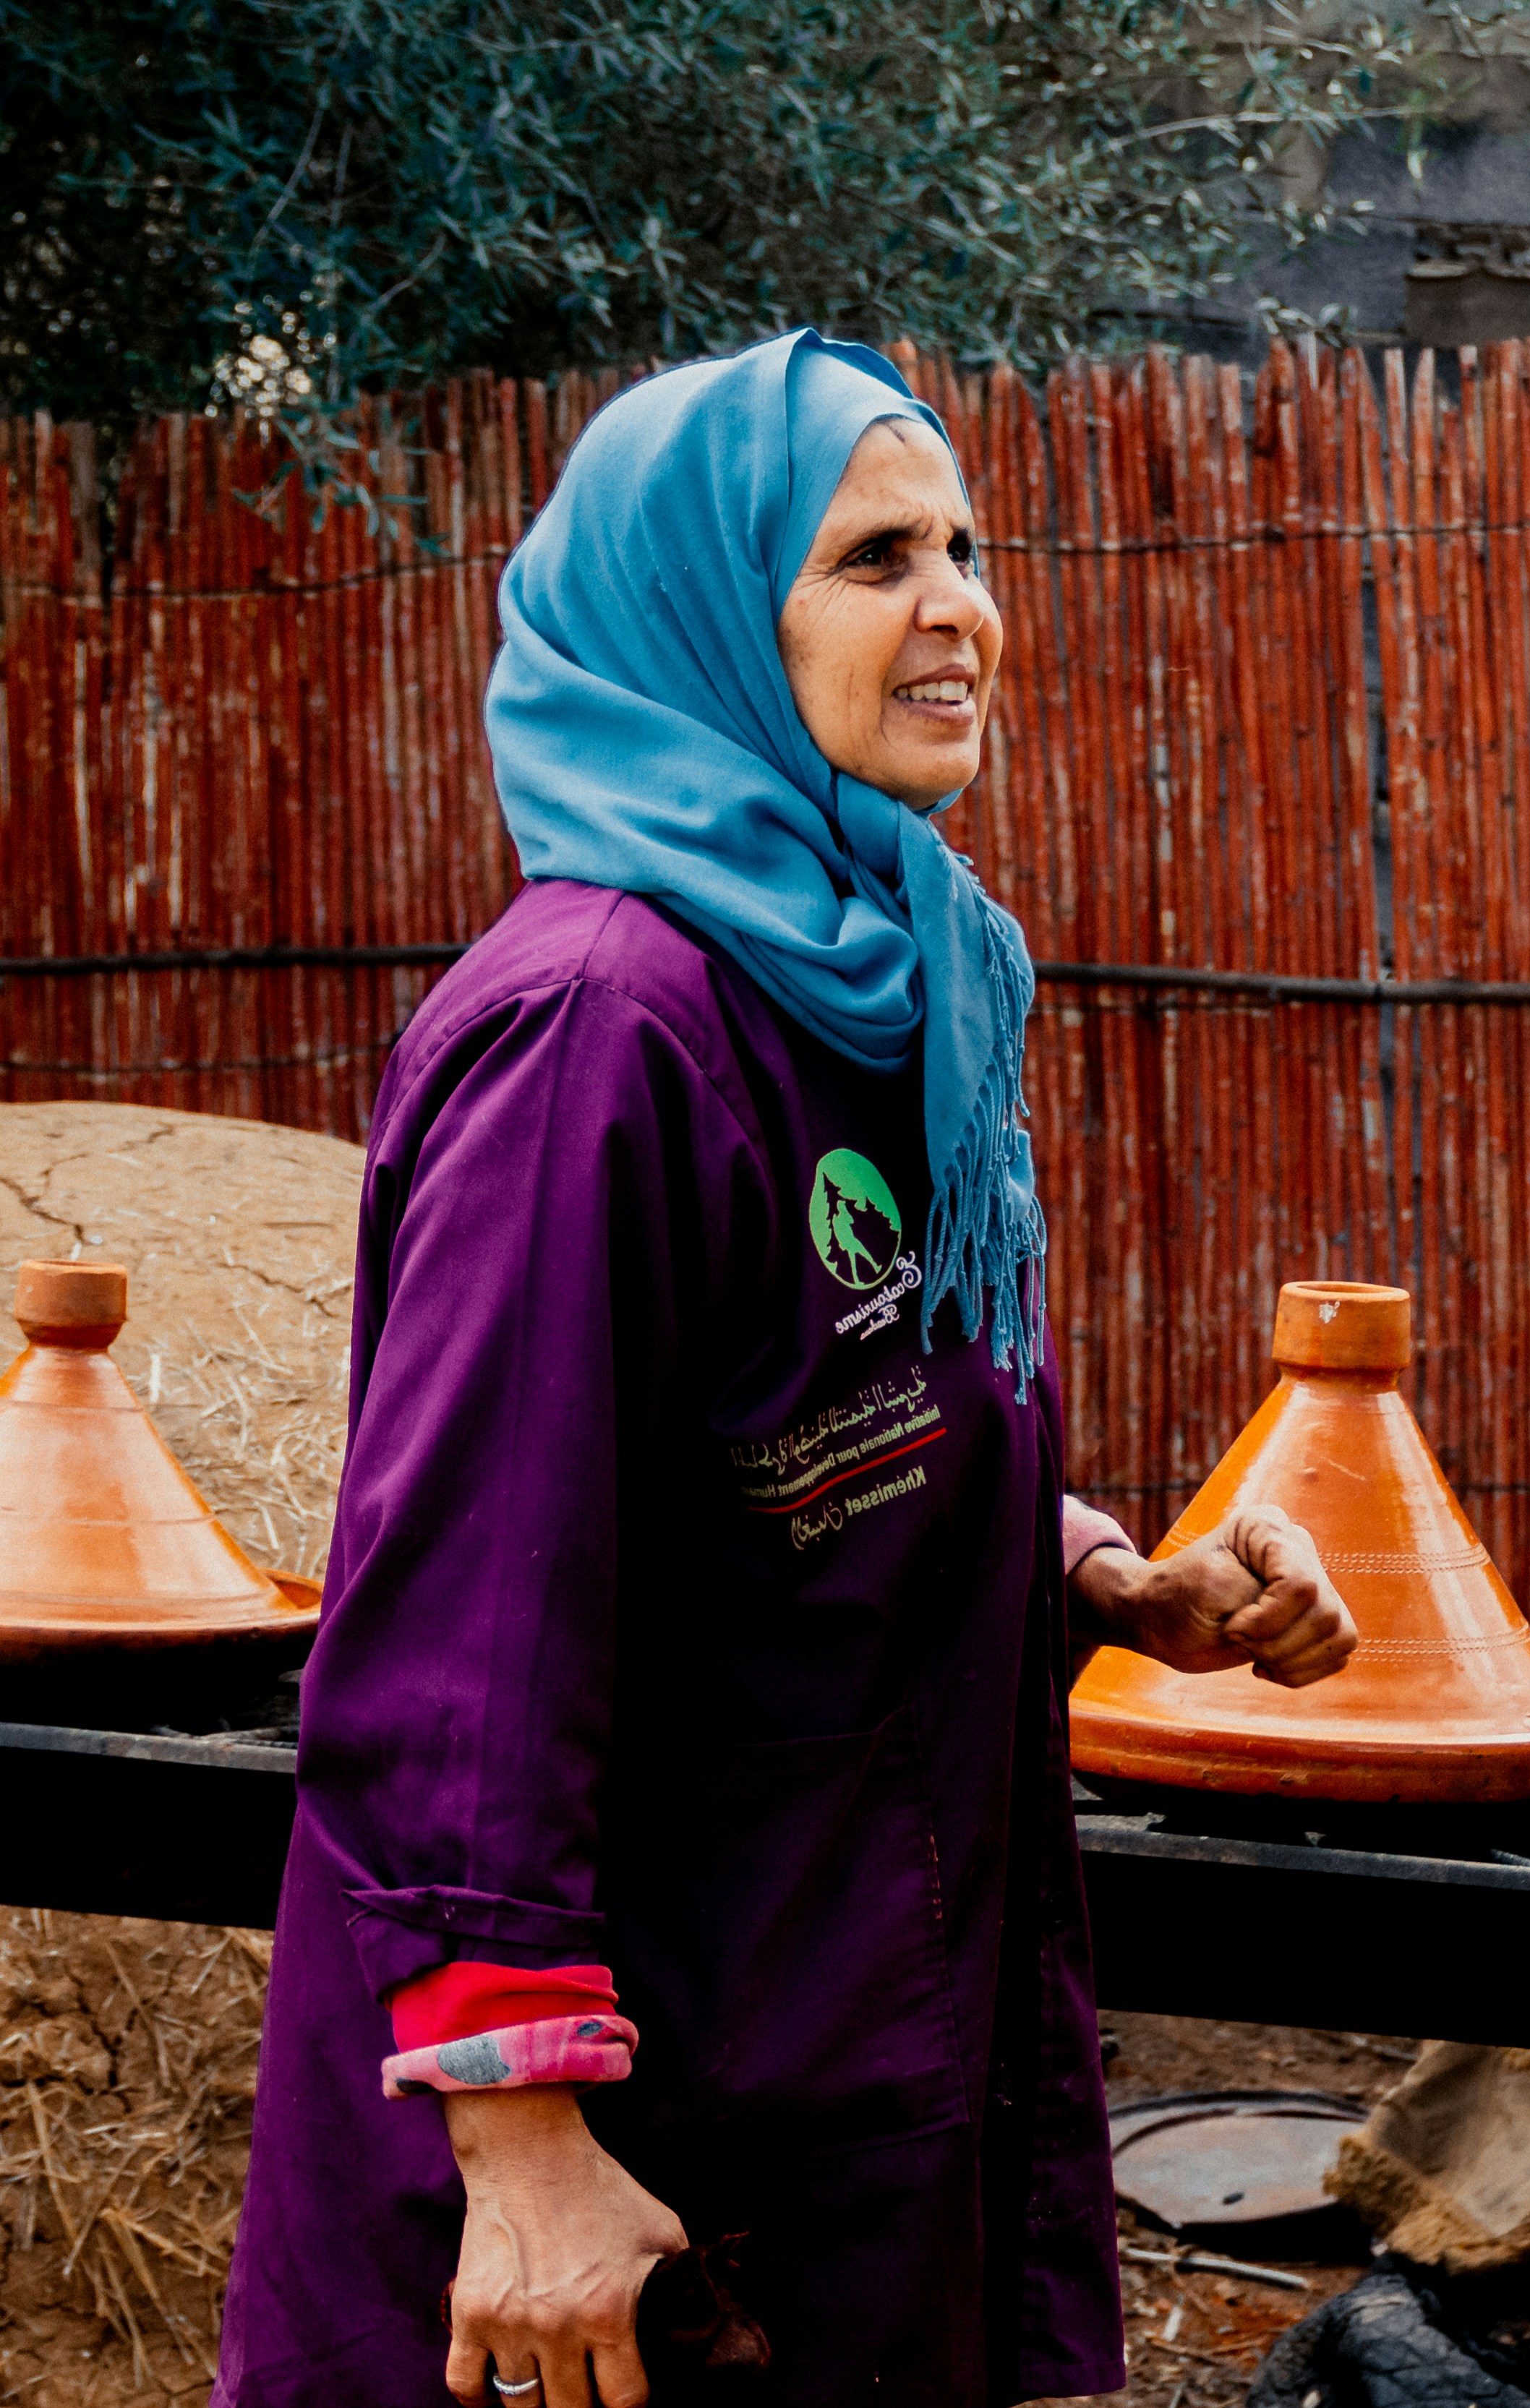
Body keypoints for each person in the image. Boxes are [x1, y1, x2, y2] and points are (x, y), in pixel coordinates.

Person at [214, 330, 1358, 2408]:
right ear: (699, 616)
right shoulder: (600, 1033)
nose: (957, 608)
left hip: (833, 2042)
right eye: (868, 558)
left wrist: (1102, 1571)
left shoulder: (882, 964)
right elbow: (466, 1631)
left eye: (966, 544)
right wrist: (527, 2137)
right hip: (623, 2168)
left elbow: (829, 1416)